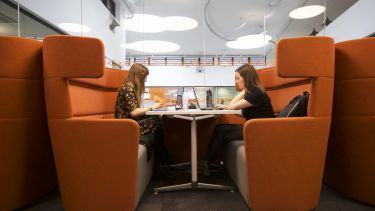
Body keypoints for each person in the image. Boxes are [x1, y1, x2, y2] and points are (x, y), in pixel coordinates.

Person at [206, 64, 275, 166]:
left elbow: (232, 106)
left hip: (260, 131)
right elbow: (243, 112)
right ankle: (212, 163)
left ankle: (209, 164)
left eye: (238, 78)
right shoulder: (253, 92)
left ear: (246, 78)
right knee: (221, 129)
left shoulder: (256, 93)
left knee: (222, 131)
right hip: (255, 128)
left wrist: (243, 91)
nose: (236, 81)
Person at [115, 63, 170, 165]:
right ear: (139, 76)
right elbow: (134, 112)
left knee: (157, 119)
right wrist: (152, 107)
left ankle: (163, 159)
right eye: (145, 77)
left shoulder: (131, 87)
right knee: (157, 121)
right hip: (126, 127)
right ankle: (163, 159)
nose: (146, 80)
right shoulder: (128, 87)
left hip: (130, 124)